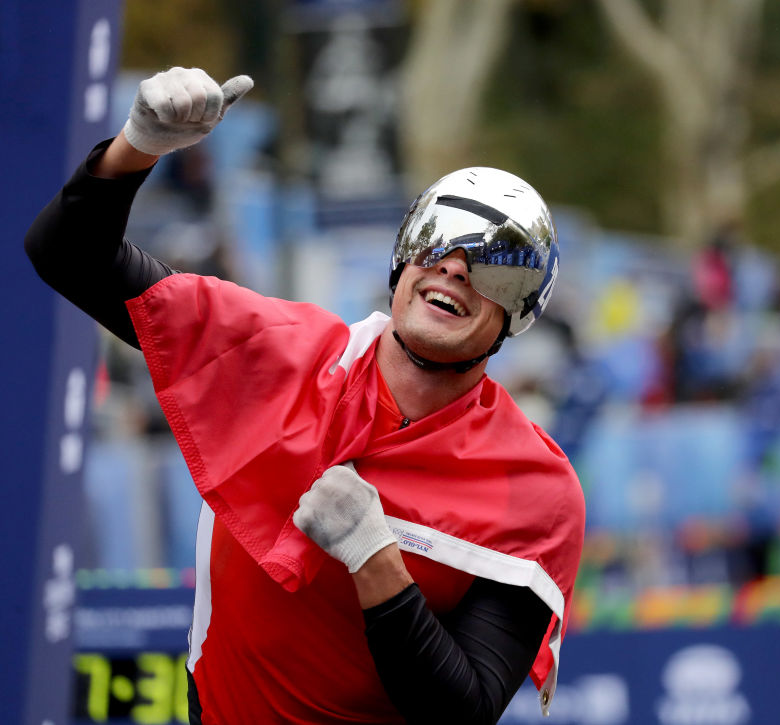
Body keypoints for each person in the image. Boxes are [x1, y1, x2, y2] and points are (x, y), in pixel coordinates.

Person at [25, 67, 585, 724]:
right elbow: (64, 252)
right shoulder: (272, 351)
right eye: (437, 241)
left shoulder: (538, 488)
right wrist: (138, 146)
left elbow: (463, 712)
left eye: (495, 265)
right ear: (403, 259)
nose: (456, 266)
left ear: (518, 316)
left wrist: (374, 557)